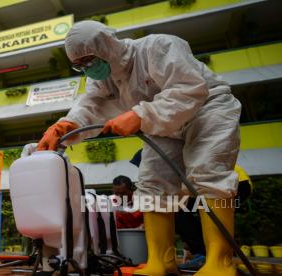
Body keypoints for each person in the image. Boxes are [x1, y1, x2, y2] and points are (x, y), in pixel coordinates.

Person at [37, 20, 241, 275]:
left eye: (89, 59)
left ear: (108, 47)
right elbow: (90, 105)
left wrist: (140, 114)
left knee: (209, 175)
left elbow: (190, 88)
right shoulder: (105, 80)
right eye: (79, 65)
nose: (87, 68)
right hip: (162, 125)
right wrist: (65, 125)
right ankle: (161, 261)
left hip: (208, 109)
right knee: (152, 184)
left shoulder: (158, 47)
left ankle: (220, 263)